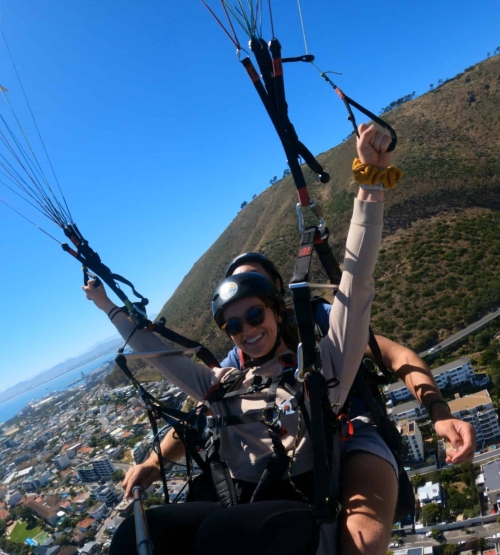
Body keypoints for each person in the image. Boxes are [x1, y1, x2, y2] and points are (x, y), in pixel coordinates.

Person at [82, 124, 413, 555]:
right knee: (139, 534)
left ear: (277, 311)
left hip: (300, 507)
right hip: (242, 504)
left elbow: (356, 285)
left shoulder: (322, 367)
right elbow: (155, 354)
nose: (247, 330)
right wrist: (107, 306)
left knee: (220, 536)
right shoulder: (222, 382)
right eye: (234, 325)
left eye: (255, 315)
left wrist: (370, 185)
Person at [117, 253, 476, 555]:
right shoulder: (240, 358)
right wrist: (154, 461)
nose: (247, 320)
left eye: (256, 290)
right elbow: (208, 412)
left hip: (352, 424)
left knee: (361, 537)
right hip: (288, 442)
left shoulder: (317, 319)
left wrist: (438, 413)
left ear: (275, 292)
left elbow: (396, 356)